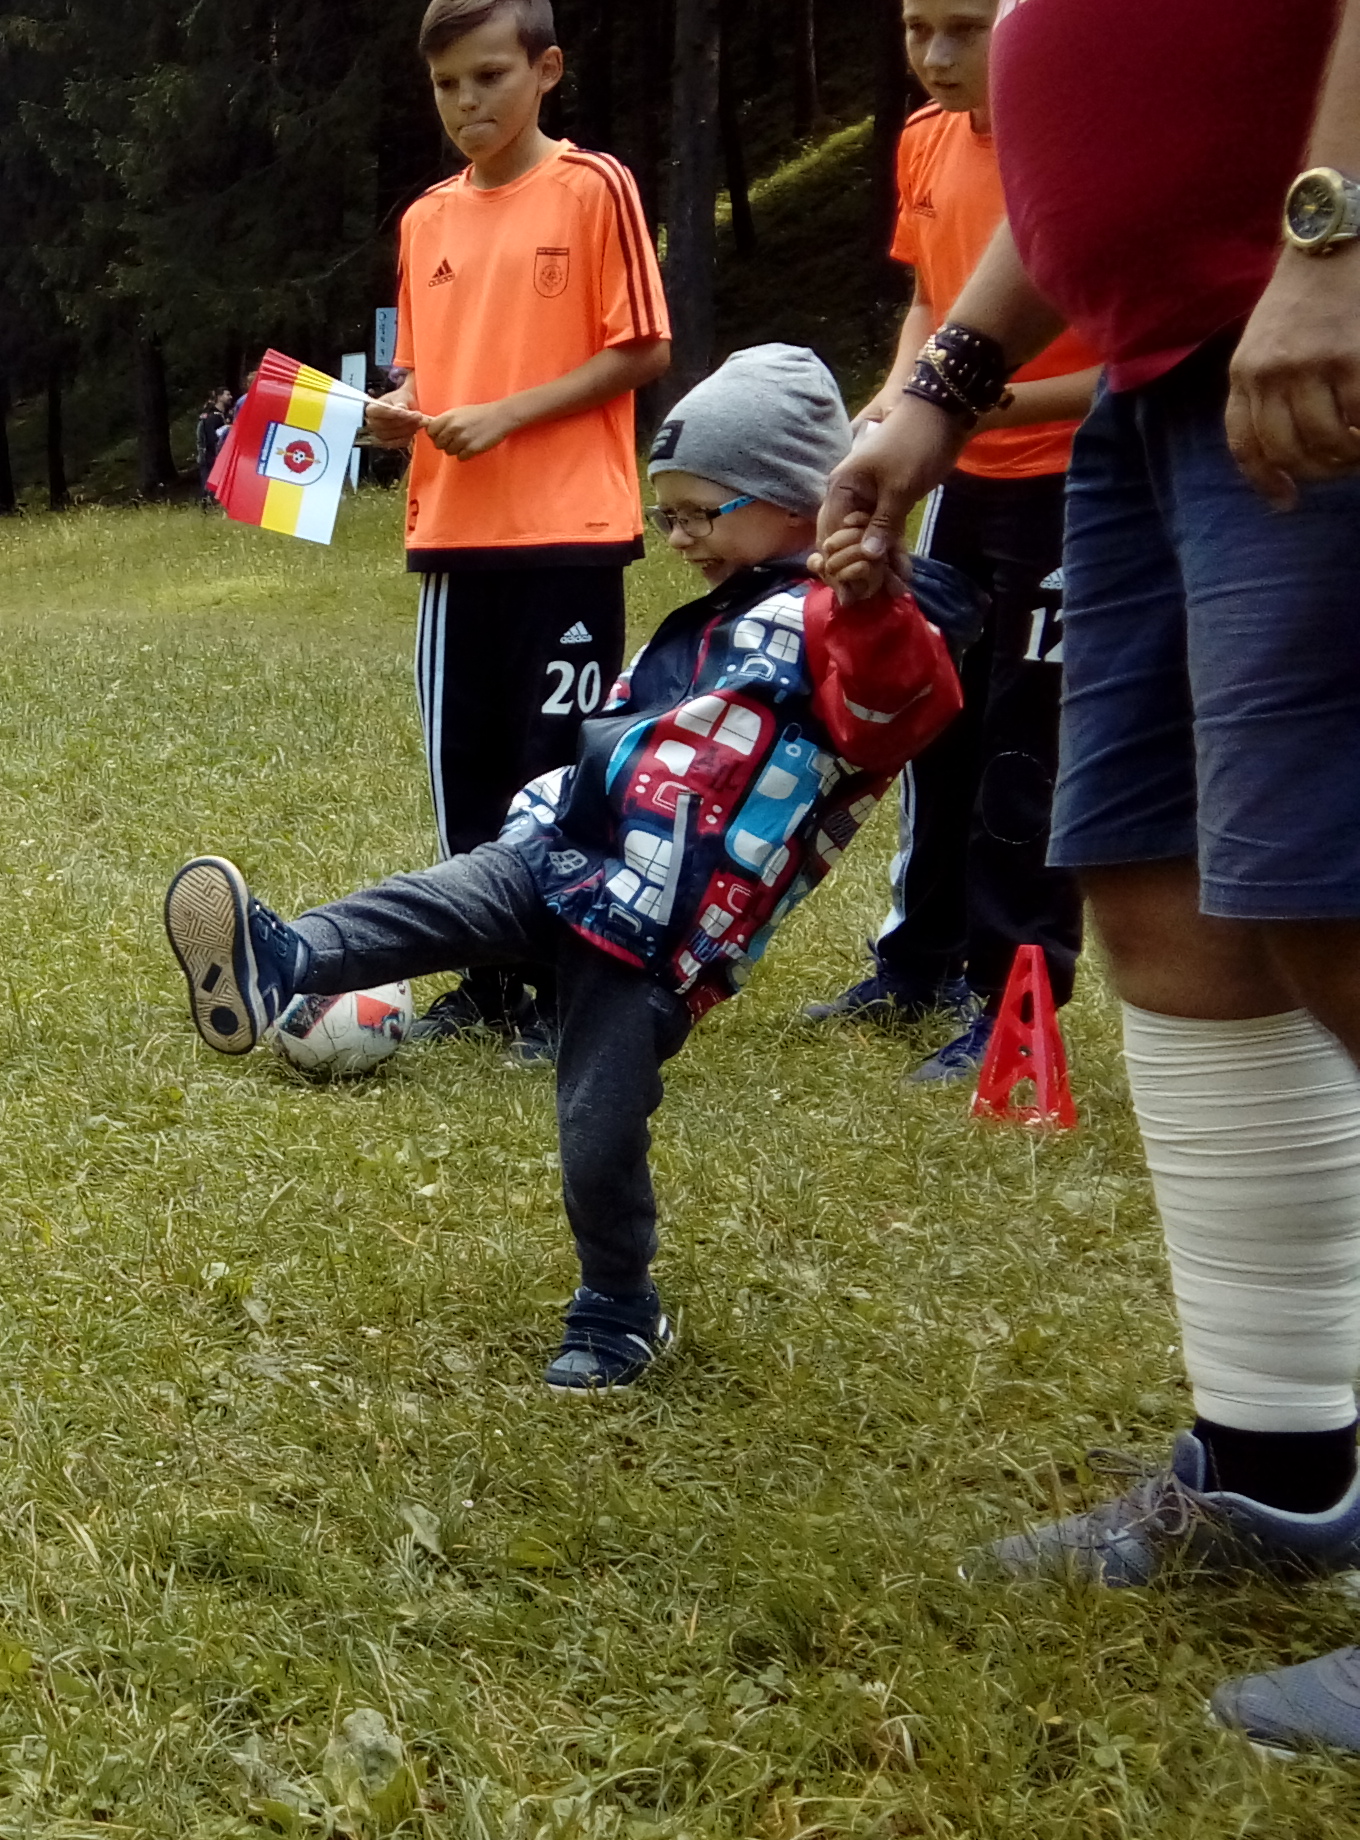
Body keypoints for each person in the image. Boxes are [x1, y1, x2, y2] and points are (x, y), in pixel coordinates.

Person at [817, 0, 1360, 1753]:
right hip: (1149, 379)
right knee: (1165, 905)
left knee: (1333, 902)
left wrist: (1332, 239)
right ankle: (1277, 1470)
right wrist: (941, 390)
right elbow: (1093, 128)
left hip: (1307, 331)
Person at [174, 346, 968, 1391]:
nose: (677, 538)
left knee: (598, 1125)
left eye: (701, 513)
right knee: (436, 900)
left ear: (798, 501)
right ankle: (284, 958)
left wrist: (868, 605)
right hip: (564, 847)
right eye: (667, 514)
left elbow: (903, 710)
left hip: (659, 924)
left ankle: (619, 1303)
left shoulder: (849, 618)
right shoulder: (720, 612)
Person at [361, 0, 672, 1059]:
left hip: (570, 535)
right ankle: (489, 983)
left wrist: (507, 414)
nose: (467, 102)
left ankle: (563, 983)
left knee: (560, 772)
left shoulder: (594, 188)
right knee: (470, 773)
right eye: (446, 85)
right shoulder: (424, 221)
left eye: (488, 76)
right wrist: (398, 408)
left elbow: (642, 348)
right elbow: (423, 370)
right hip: (455, 539)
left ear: (547, 70)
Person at [800, 0, 1094, 1082]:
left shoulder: (1084, 129)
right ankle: (916, 964)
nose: (934, 56)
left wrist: (970, 405)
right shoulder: (926, 138)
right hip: (959, 486)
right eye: (916, 27)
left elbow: (1131, 357)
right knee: (935, 722)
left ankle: (1018, 1005)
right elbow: (934, 304)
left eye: (965, 28)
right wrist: (899, 398)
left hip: (1074, 486)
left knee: (1027, 752)